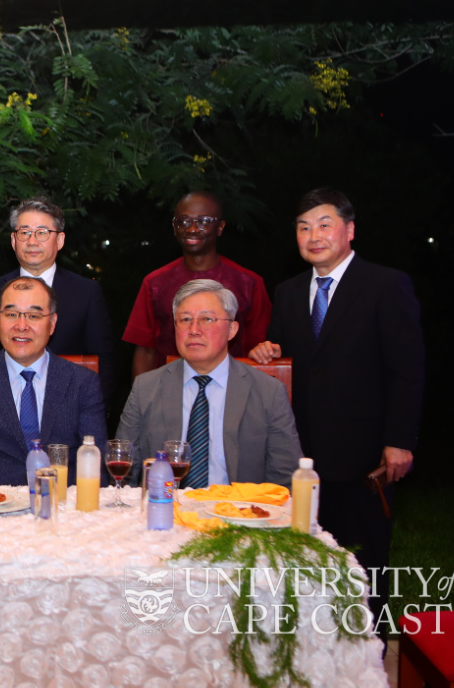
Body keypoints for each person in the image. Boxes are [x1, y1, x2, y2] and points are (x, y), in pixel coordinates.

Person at [249, 188, 423, 621]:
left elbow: (407, 370)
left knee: (364, 571)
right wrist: (266, 352)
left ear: (349, 230)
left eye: (324, 225)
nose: (313, 235)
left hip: (364, 460)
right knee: (303, 568)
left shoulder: (386, 284)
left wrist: (399, 441)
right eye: (304, 227)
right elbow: (287, 358)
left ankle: (370, 661)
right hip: (299, 458)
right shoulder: (287, 292)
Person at [117, 280, 301, 488]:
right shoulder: (146, 388)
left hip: (236, 513)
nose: (194, 330)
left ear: (232, 330)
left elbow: (285, 478)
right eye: (185, 319)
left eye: (206, 319)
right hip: (165, 512)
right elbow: (124, 472)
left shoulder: (268, 391)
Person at [0, 277, 107, 486]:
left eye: (33, 315)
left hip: (62, 507)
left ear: (52, 323)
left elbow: (94, 463)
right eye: (11, 314)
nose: (21, 326)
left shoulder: (83, 383)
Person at [0, 197, 114, 400]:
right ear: (13, 240)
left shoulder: (86, 292)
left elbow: (103, 362)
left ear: (60, 240)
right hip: (3, 408)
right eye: (25, 232)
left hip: (69, 406)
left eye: (42, 233)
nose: (32, 241)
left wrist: (95, 412)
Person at [123, 191, 271, 378]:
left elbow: (259, 349)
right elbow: (145, 351)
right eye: (183, 221)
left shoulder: (249, 283)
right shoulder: (155, 283)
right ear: (174, 226)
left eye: (204, 221)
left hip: (232, 391)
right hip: (170, 391)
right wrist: (143, 401)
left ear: (220, 227)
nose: (192, 228)